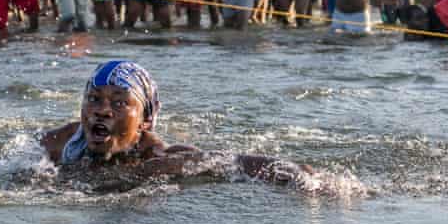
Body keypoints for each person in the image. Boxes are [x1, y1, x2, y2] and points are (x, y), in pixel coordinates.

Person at [41, 60, 319, 191]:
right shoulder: (62, 142)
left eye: (118, 103)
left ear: (145, 121)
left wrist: (294, 172)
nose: (101, 111)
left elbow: (229, 163)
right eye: (93, 99)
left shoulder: (159, 159)